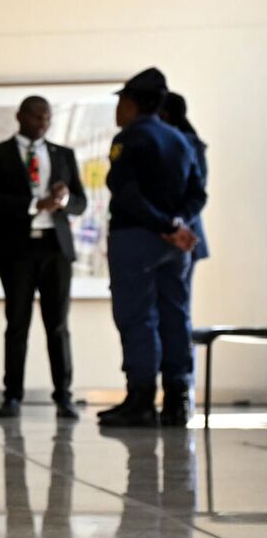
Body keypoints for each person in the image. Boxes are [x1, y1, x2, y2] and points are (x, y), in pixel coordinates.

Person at [99, 68, 206, 428]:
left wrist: (163, 225)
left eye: (121, 102)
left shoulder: (129, 138)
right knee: (176, 315)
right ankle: (177, 399)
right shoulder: (180, 139)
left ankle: (141, 400)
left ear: (132, 103)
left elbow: (125, 191)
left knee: (137, 317)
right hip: (175, 246)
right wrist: (176, 225)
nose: (118, 110)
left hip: (136, 238)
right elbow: (197, 193)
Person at [0, 96, 88, 420]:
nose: (43, 123)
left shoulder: (63, 155)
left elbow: (80, 203)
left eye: (47, 118)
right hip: (16, 249)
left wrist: (63, 200)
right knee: (17, 323)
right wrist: (34, 205)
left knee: (58, 325)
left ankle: (63, 396)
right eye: (37, 116)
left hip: (55, 249)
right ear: (20, 116)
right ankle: (12, 396)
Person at [159, 91, 210, 276]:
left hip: (181, 233)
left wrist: (176, 223)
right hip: (177, 230)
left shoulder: (185, 145)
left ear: (164, 116)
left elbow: (196, 192)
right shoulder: (186, 143)